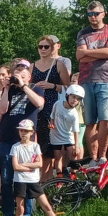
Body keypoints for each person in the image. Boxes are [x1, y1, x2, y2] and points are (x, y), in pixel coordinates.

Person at [0, 59, 44, 216]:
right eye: (17, 74)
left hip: (26, 143)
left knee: (27, 180)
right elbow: (1, 110)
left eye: (23, 74)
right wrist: (8, 88)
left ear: (29, 76)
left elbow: (39, 104)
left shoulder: (35, 89)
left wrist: (24, 86)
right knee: (7, 180)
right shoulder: (8, 90)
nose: (19, 77)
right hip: (7, 139)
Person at [75, 1, 108, 166]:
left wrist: (88, 53)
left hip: (106, 80)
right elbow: (80, 56)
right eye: (89, 14)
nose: (92, 17)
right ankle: (93, 158)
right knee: (89, 122)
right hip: (86, 81)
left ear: (103, 14)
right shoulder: (83, 33)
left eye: (96, 13)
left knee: (106, 119)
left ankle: (102, 157)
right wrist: (100, 54)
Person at [10, 120, 64, 216]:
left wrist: (23, 165)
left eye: (26, 131)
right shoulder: (15, 147)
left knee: (46, 206)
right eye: (21, 131)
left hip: (33, 181)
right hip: (20, 180)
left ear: (31, 132)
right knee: (20, 208)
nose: (23, 133)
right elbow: (15, 166)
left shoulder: (35, 146)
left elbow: (39, 164)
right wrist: (29, 167)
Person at [31, 35, 71, 178]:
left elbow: (68, 87)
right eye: (40, 46)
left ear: (52, 48)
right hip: (36, 108)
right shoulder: (32, 66)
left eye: (46, 46)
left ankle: (47, 182)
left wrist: (52, 86)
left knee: (49, 148)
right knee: (37, 145)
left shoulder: (58, 64)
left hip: (52, 108)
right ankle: (38, 182)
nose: (42, 49)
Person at [50, 84, 85, 177]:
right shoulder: (57, 104)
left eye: (78, 99)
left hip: (68, 137)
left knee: (73, 155)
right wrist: (52, 123)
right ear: (67, 95)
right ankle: (59, 177)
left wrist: (76, 146)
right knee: (57, 157)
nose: (75, 100)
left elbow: (75, 131)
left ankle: (73, 175)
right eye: (73, 97)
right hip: (56, 135)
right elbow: (52, 116)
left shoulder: (74, 114)